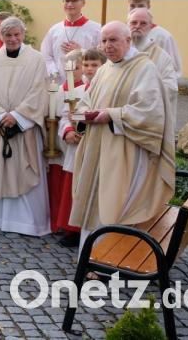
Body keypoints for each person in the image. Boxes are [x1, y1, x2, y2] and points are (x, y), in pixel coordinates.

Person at [69, 22, 176, 249]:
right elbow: (87, 101)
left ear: (128, 40)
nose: (107, 46)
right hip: (97, 147)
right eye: (104, 40)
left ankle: (110, 257)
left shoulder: (144, 69)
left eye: (113, 40)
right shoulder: (105, 69)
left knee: (113, 202)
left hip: (125, 150)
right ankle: (90, 257)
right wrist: (81, 114)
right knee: (95, 201)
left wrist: (111, 115)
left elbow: (150, 111)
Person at [0, 17, 50, 236]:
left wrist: (18, 116)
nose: (12, 39)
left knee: (24, 169)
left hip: (24, 128)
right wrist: (0, 115)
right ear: (1, 36)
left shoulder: (36, 59)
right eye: (7, 35)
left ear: (23, 34)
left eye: (17, 34)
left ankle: (27, 222)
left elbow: (40, 90)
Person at [51, 48, 106, 247]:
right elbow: (66, 115)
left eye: (95, 65)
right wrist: (67, 132)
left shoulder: (107, 89)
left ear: (103, 67)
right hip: (76, 145)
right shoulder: (76, 91)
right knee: (73, 187)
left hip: (97, 145)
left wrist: (84, 120)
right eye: (86, 65)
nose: (90, 69)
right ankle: (71, 229)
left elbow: (99, 115)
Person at [40, 0, 101, 84]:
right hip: (59, 84)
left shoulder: (96, 29)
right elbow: (46, 56)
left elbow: (101, 57)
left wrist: (81, 51)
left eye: (74, 1)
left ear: (83, 3)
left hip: (86, 85)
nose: (70, 4)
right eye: (67, 1)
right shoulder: (54, 30)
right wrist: (54, 72)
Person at [128, 8, 178, 124]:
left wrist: (141, 97)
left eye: (143, 23)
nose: (137, 26)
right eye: (133, 22)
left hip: (150, 118)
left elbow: (171, 87)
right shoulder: (118, 52)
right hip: (120, 118)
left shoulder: (161, 56)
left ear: (150, 27)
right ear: (127, 25)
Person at [127, 0, 182, 77]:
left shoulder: (163, 36)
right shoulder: (121, 33)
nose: (136, 9)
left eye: (141, 6)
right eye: (132, 6)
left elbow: (174, 69)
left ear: (148, 7)